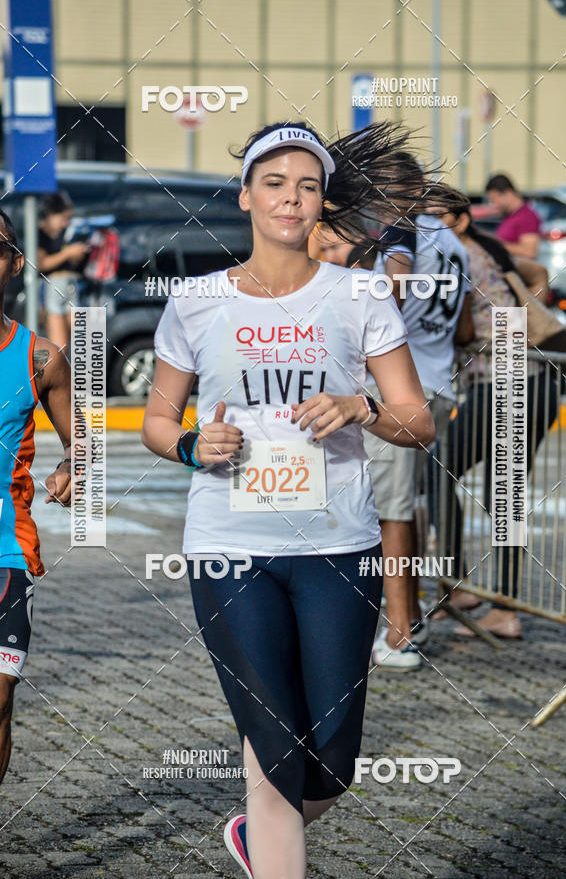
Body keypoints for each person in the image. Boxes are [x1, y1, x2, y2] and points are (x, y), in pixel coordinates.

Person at [141, 119, 446, 879]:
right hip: (228, 548)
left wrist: (361, 408)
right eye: (274, 183)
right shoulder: (196, 301)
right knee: (274, 750)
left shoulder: (361, 294)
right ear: (246, 195)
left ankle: (254, 835)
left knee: (331, 761)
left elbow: (420, 420)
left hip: (338, 547)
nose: (291, 198)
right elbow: (156, 418)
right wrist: (187, 444)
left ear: (321, 203)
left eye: (307, 186)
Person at [434, 192, 559, 638]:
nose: (426, 223)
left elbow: (464, 327)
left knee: (446, 475)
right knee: (495, 489)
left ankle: (476, 597)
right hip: (529, 376)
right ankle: (488, 600)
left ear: (461, 221)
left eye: (436, 216)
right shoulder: (486, 249)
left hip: (508, 379)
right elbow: (538, 273)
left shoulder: (457, 255)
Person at [366, 173, 473, 671]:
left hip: (402, 386)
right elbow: (467, 324)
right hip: (440, 383)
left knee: (392, 512)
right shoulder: (454, 242)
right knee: (408, 506)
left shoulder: (402, 234)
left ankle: (401, 631)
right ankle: (412, 616)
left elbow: (393, 292)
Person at [0, 209, 72, 783]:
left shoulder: (40, 359)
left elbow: (85, 444)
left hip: (6, 551)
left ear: (14, 263)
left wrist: (74, 469)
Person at [37, 191, 89, 351]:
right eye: (63, 218)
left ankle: (81, 374)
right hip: (53, 287)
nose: (66, 223)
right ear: (51, 214)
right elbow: (41, 263)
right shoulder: (38, 234)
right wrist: (68, 253)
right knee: (60, 348)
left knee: (84, 345)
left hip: (72, 286)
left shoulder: (67, 234)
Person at [485, 173, 541, 260]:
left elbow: (529, 252)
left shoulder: (526, 217)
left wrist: (496, 244)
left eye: (494, 199)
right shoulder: (509, 216)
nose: (494, 205)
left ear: (508, 193)